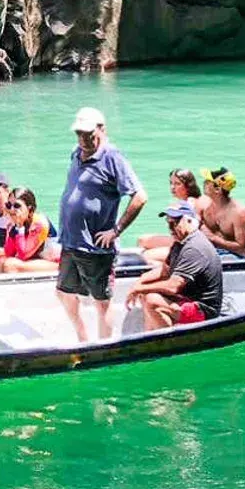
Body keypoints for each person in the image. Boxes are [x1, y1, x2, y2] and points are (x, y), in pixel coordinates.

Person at [56, 107, 146, 341]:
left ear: (102, 130)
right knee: (63, 292)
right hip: (70, 241)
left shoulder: (112, 158)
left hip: (95, 246)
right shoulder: (76, 153)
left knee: (101, 302)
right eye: (79, 134)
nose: (83, 139)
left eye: (88, 134)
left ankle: (104, 346)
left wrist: (116, 230)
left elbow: (139, 196)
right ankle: (82, 337)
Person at [126, 205, 224, 328]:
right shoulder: (179, 242)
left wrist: (140, 288)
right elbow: (164, 271)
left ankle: (167, 342)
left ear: (189, 221)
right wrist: (141, 281)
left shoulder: (194, 248)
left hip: (202, 309)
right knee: (145, 294)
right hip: (185, 297)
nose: (171, 228)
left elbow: (173, 286)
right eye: (168, 223)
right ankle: (150, 335)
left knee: (152, 300)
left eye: (175, 223)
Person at [140, 168, 206, 265]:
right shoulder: (183, 201)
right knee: (142, 240)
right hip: (179, 241)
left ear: (188, 186)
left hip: (188, 245)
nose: (172, 187)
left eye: (177, 184)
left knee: (145, 257)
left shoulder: (190, 203)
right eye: (171, 183)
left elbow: (190, 231)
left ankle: (169, 271)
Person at [0, 187, 61, 273]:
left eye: (17, 206)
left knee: (10, 265)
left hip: (56, 264)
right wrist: (12, 230)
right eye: (9, 205)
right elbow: (9, 253)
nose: (11, 210)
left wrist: (19, 228)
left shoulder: (40, 223)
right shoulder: (12, 224)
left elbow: (24, 255)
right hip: (37, 260)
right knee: (0, 262)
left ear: (29, 208)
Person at [198, 167, 245, 257]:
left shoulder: (239, 213)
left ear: (217, 189)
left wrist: (213, 238)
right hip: (207, 251)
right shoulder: (203, 204)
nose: (204, 183)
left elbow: (243, 249)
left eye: (208, 182)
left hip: (231, 255)